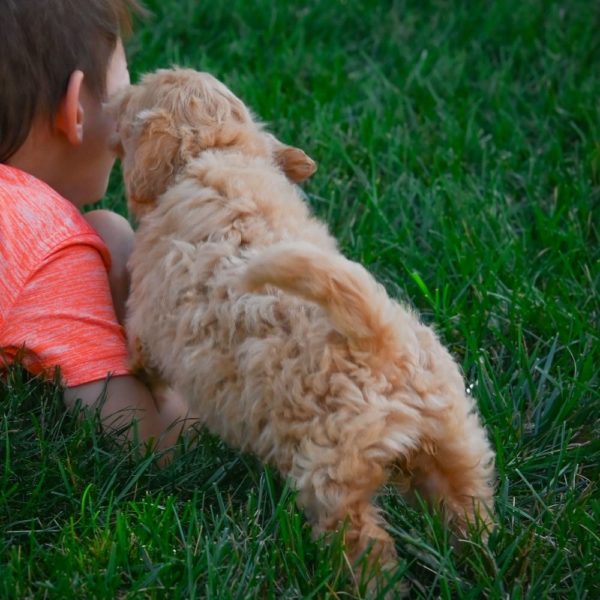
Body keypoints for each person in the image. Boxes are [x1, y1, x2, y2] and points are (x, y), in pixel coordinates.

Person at [0, 0, 188, 453]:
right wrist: (189, 388)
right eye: (126, 92)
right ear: (76, 111)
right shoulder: (45, 241)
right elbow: (141, 439)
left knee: (107, 227)